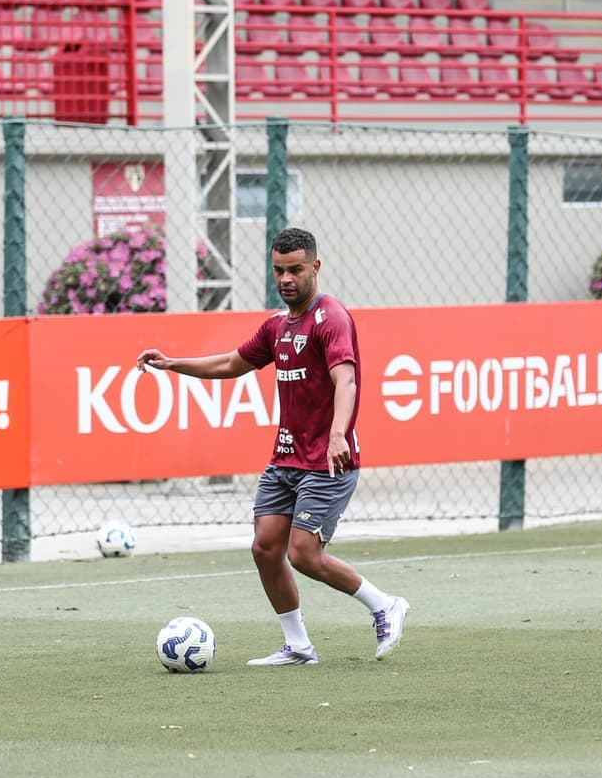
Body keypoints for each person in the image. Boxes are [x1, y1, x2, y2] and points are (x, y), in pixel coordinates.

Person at [136, 227, 409, 665]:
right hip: (285, 458)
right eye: (279, 270)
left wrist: (338, 433)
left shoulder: (331, 318)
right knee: (265, 547)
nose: (285, 279)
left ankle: (385, 605)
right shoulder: (277, 326)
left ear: (315, 267)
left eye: (295, 270)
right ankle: (298, 646)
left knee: (302, 553)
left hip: (327, 461)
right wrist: (172, 364)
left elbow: (346, 380)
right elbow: (230, 363)